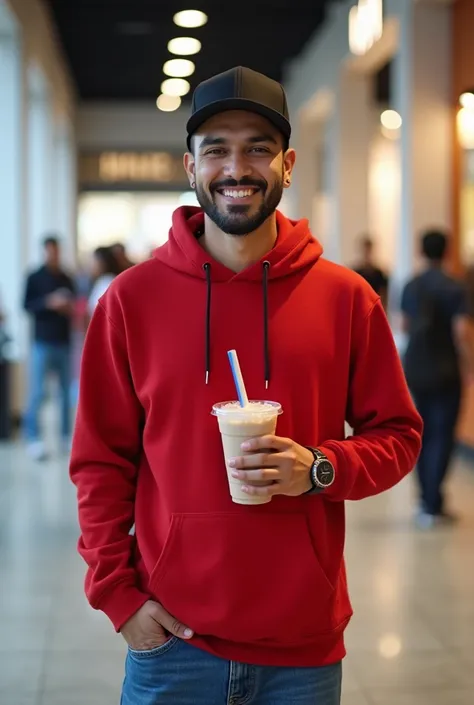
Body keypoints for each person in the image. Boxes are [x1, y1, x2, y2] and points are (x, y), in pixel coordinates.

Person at [70, 67, 422, 705]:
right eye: (217, 150)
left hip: (302, 648)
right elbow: (99, 462)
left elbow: (399, 437)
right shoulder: (131, 301)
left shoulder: (346, 298)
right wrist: (119, 599)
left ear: (287, 165)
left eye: (258, 147)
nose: (238, 167)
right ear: (190, 166)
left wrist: (317, 466)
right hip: (173, 641)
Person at [402, 229, 473, 529]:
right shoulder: (455, 287)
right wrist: (468, 367)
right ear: (446, 252)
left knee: (422, 432)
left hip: (416, 367)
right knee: (443, 435)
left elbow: (404, 325)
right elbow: (461, 333)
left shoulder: (411, 285)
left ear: (421, 250)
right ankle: (433, 502)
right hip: (445, 370)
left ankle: (426, 499)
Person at [23, 235, 75, 460]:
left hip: (63, 341)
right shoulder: (34, 277)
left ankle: (65, 436)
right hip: (42, 342)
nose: (53, 255)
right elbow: (26, 305)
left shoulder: (66, 277)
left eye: (56, 251)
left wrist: (67, 306)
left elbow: (75, 304)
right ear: (45, 252)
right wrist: (48, 303)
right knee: (37, 391)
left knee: (65, 393)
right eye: (50, 251)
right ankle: (33, 438)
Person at [353, 235, 389, 310]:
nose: (367, 253)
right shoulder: (355, 273)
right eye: (365, 250)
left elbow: (384, 296)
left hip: (374, 308)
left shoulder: (379, 274)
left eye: (368, 250)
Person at [87, 246, 122, 316]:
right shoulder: (102, 281)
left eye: (93, 261)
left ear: (102, 263)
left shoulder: (106, 283)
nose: (91, 265)